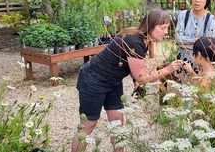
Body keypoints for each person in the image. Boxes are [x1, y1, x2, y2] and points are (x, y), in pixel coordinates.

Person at [71, 9, 183, 152]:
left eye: (167, 28)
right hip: (94, 79)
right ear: (151, 26)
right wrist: (168, 70)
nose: (166, 32)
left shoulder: (143, 39)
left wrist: (135, 80)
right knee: (88, 124)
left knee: (118, 123)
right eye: (163, 28)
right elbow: (142, 78)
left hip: (114, 81)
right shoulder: (135, 42)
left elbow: (131, 64)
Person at [175, 0, 215, 75]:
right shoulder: (183, 15)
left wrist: (185, 44)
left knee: (200, 86)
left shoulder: (211, 19)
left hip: (201, 61)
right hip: (183, 59)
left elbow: (208, 44)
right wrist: (195, 40)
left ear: (207, 0)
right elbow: (178, 38)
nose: (197, 1)